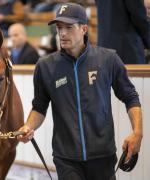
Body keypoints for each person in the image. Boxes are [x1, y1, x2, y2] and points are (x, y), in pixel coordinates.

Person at [17, 3, 143, 180]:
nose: (62, 33)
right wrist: (28, 127)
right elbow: (39, 107)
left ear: (84, 28)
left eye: (69, 27)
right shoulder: (45, 67)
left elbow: (131, 98)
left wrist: (138, 133)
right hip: (66, 159)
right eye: (59, 28)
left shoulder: (108, 59)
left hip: (103, 157)